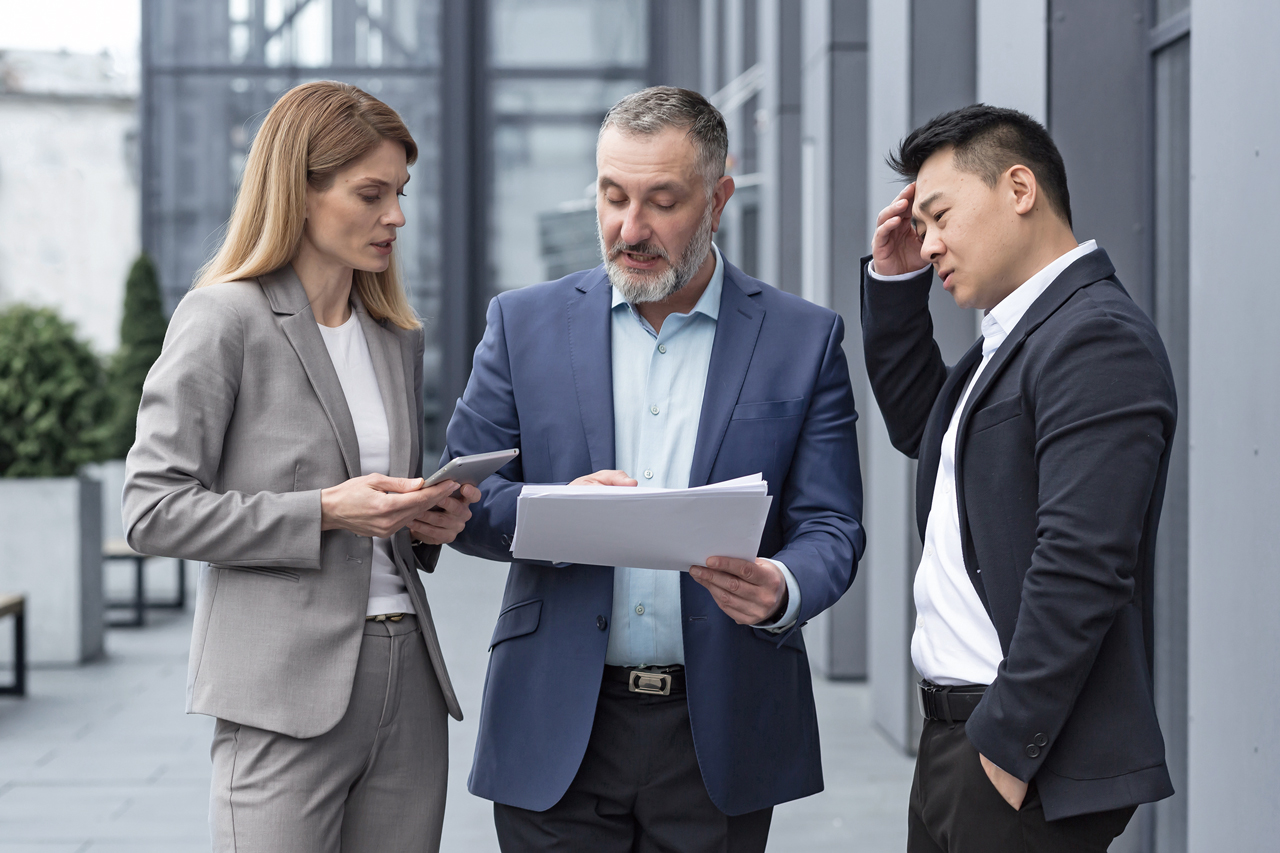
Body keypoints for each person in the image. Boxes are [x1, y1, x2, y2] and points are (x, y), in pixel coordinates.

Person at [443, 86, 864, 852]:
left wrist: (784, 587)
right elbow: (460, 502)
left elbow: (833, 524)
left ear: (718, 199)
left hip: (722, 731)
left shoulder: (804, 339)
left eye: (661, 202)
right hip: (555, 725)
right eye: (612, 197)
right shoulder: (521, 323)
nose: (628, 229)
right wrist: (553, 508)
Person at [122, 81, 477, 853]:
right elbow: (151, 508)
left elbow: (379, 518)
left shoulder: (394, 336)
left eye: (401, 193)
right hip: (282, 692)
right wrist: (323, 510)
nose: (397, 216)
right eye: (371, 193)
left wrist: (426, 524)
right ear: (301, 191)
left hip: (406, 676)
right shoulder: (224, 318)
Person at [861, 104, 1177, 852]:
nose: (930, 240)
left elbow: (1083, 561)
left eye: (940, 216)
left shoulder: (1094, 336)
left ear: (1019, 188)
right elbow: (925, 431)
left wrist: (1005, 749)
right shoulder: (1013, 337)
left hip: (1017, 755)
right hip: (962, 741)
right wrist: (896, 284)